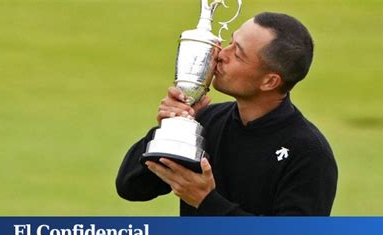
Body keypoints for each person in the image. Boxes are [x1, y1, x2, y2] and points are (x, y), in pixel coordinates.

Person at [116, 12, 338, 216]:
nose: (221, 54)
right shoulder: (208, 121)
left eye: (238, 54)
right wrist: (168, 129)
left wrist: (206, 201)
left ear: (269, 81)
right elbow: (131, 186)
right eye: (230, 42)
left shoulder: (309, 154)